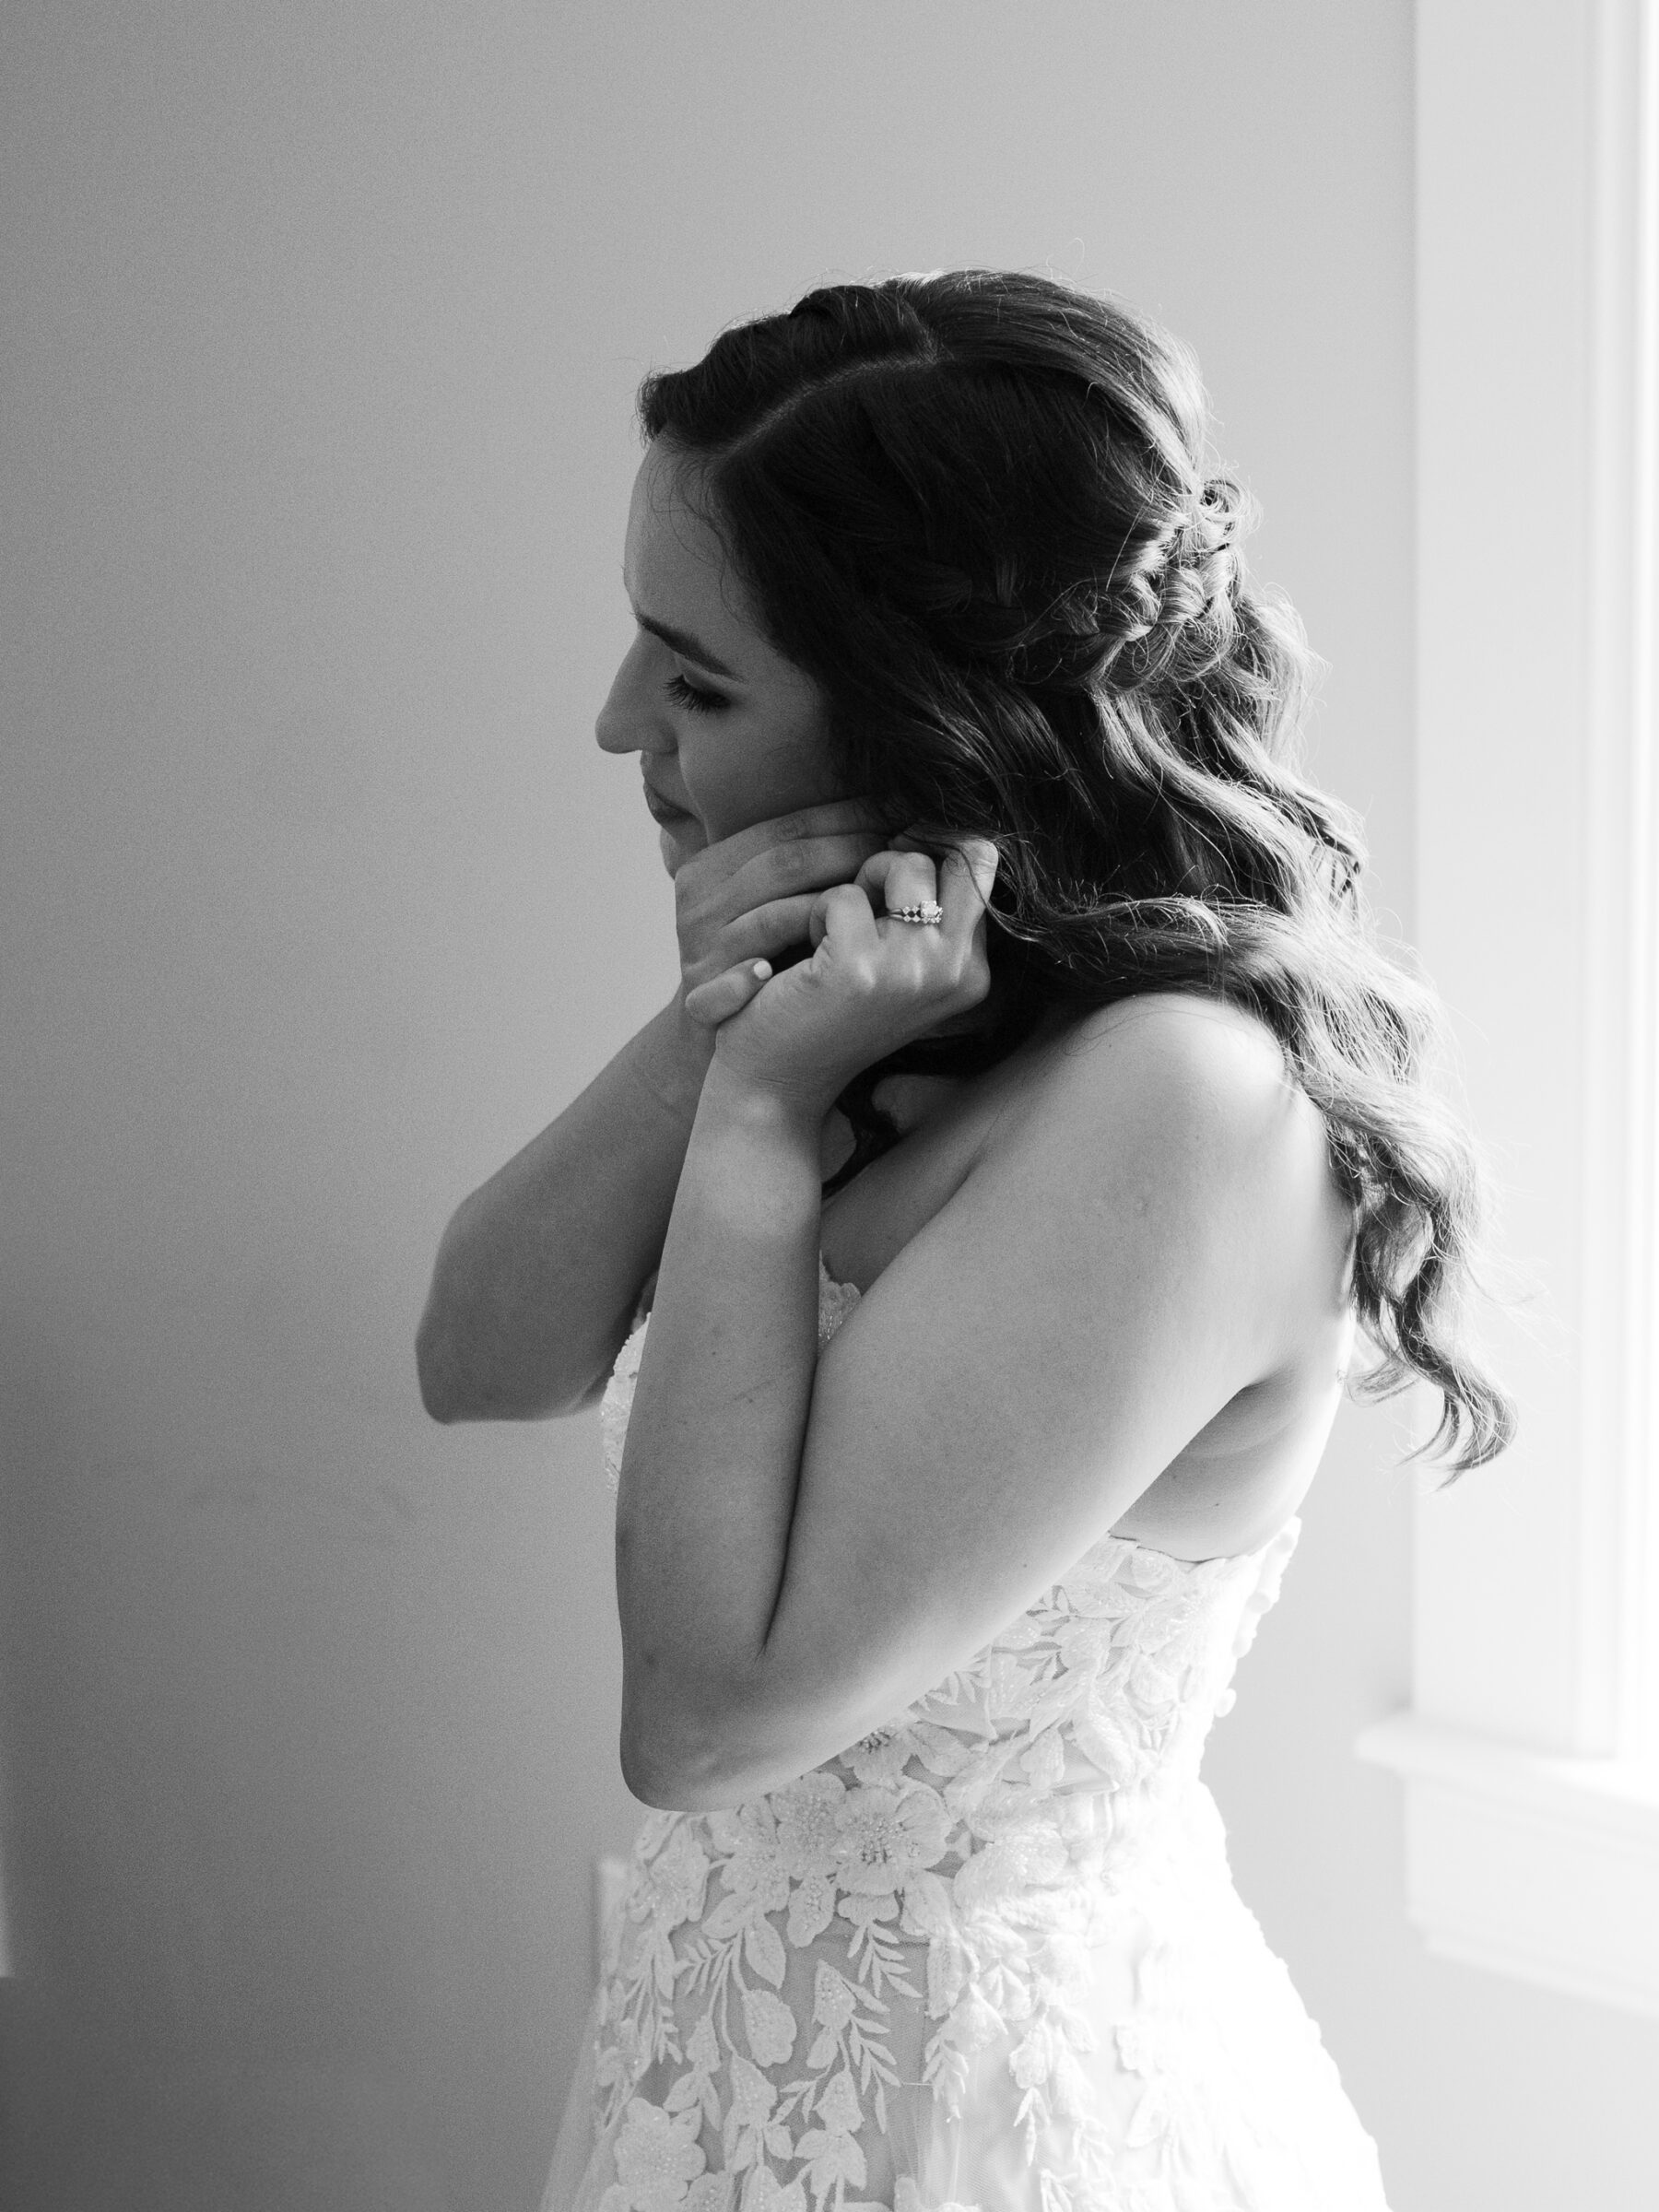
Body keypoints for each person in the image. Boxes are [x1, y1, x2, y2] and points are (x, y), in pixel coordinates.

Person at [417, 269, 1512, 2212]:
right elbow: (475, 1356)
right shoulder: (895, 1010)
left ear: (933, 726)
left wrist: (757, 1120)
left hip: (983, 2126)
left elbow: (711, 1717)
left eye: (696, 677)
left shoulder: (1185, 1105)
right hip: (717, 2063)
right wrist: (718, 1038)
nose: (612, 725)